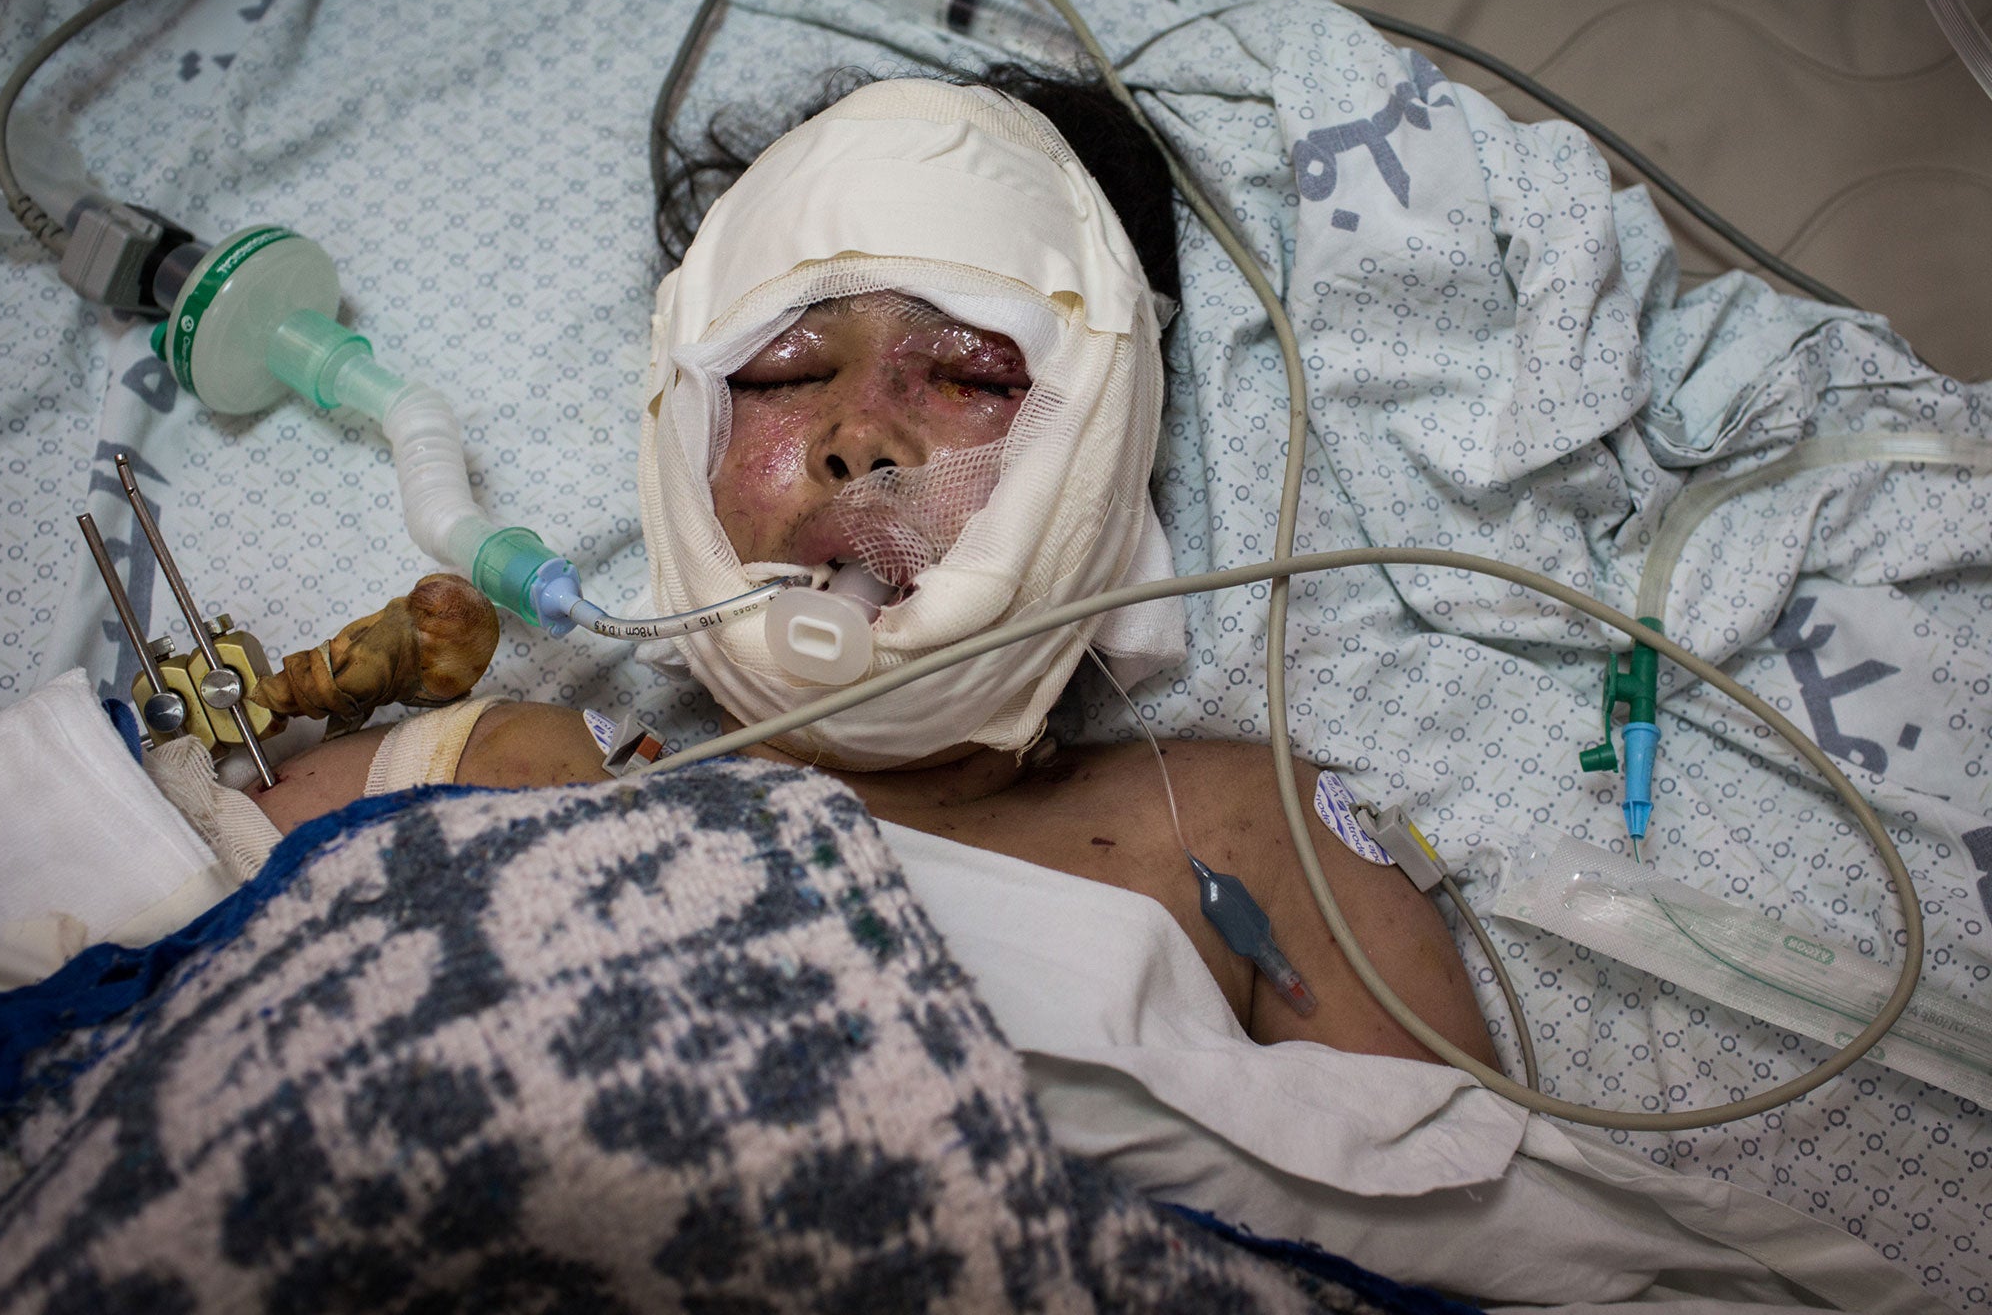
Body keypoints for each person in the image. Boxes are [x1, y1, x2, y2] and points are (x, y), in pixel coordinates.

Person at [250, 67, 1495, 1070]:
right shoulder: (486, 768)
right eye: (787, 373)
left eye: (971, 375)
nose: (859, 437)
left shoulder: (1246, 833)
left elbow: (1447, 1232)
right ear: (682, 429)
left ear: (1108, 460)